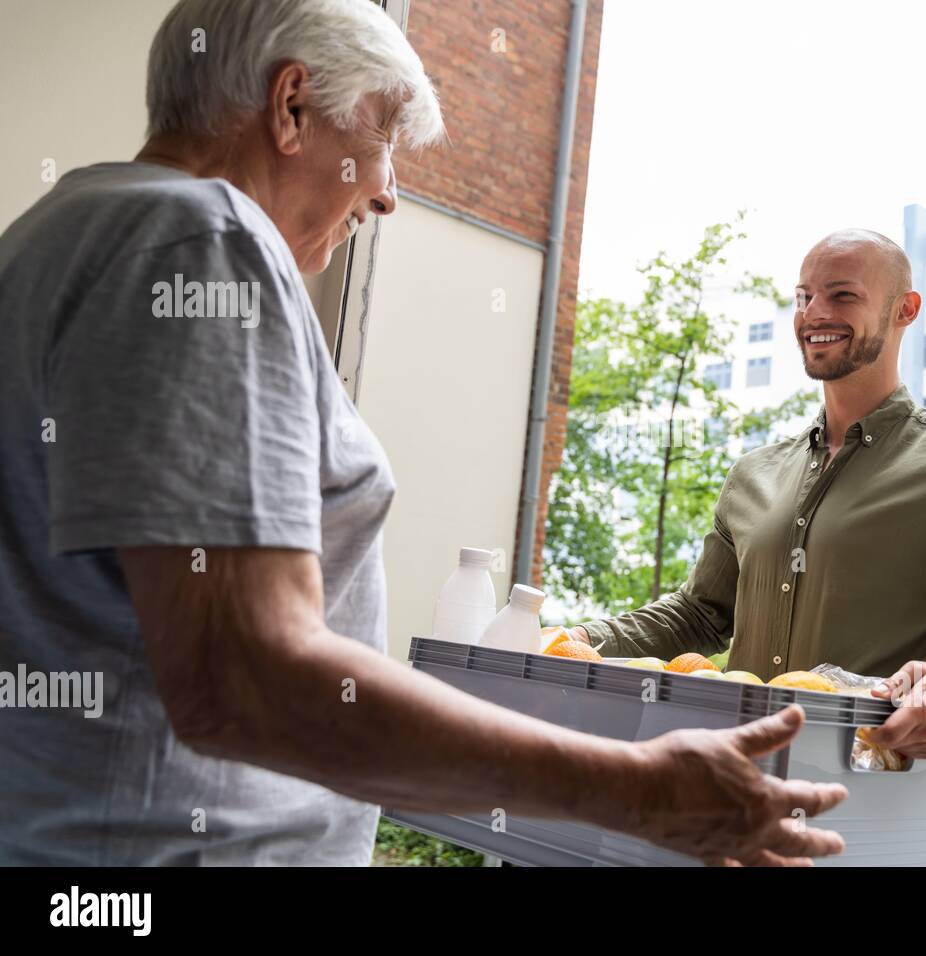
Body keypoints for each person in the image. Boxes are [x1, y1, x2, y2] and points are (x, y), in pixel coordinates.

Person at [0, 0, 846, 866]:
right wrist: (634, 788)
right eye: (384, 136)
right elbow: (245, 676)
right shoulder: (204, 245)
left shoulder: (44, 243)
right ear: (290, 107)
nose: (388, 191)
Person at [571, 229, 926, 762]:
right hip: (723, 789)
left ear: (905, 310)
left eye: (843, 295)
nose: (814, 313)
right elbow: (699, 614)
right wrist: (573, 639)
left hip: (869, 810)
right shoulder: (753, 474)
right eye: (804, 297)